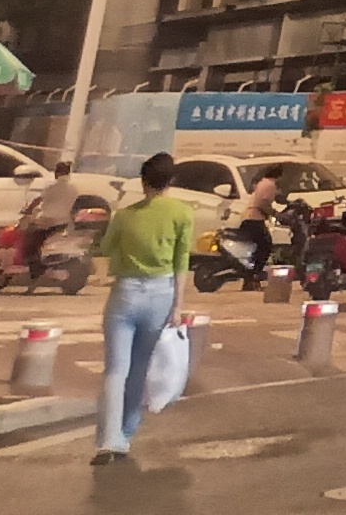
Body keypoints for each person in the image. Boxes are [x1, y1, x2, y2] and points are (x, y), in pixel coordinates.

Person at [94, 151, 197, 466]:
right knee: (139, 368)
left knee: (115, 370)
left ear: (143, 181)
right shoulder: (182, 213)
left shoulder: (124, 216)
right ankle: (126, 433)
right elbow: (182, 262)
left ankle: (109, 440)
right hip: (162, 294)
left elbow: (105, 247)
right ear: (170, 181)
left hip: (125, 293)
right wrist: (178, 306)